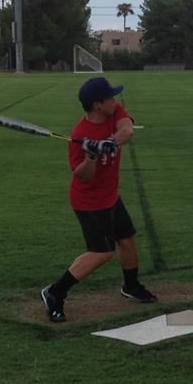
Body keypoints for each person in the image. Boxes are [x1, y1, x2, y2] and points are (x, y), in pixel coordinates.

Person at [40, 77, 157, 323]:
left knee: (126, 240)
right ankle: (54, 292)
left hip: (111, 196)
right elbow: (83, 176)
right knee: (102, 252)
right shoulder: (79, 135)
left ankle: (131, 286)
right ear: (97, 105)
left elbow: (127, 130)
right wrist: (92, 156)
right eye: (110, 98)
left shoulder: (113, 113)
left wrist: (110, 142)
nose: (115, 101)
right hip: (89, 202)